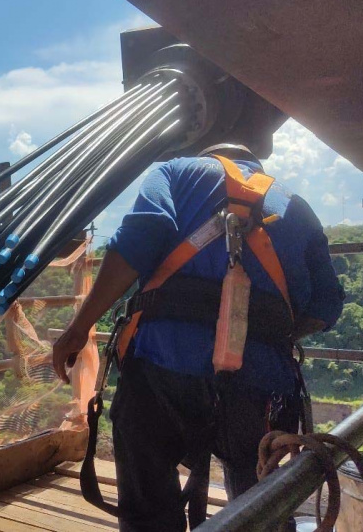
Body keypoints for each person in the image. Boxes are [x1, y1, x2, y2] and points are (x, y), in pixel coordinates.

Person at [52, 140, 344, 531]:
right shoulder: (296, 206)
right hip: (258, 387)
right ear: (252, 163)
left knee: (147, 509)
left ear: (209, 156)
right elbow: (326, 306)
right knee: (260, 507)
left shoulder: (173, 171)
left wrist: (79, 327)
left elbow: (141, 237)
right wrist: (262, 331)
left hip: (160, 370)